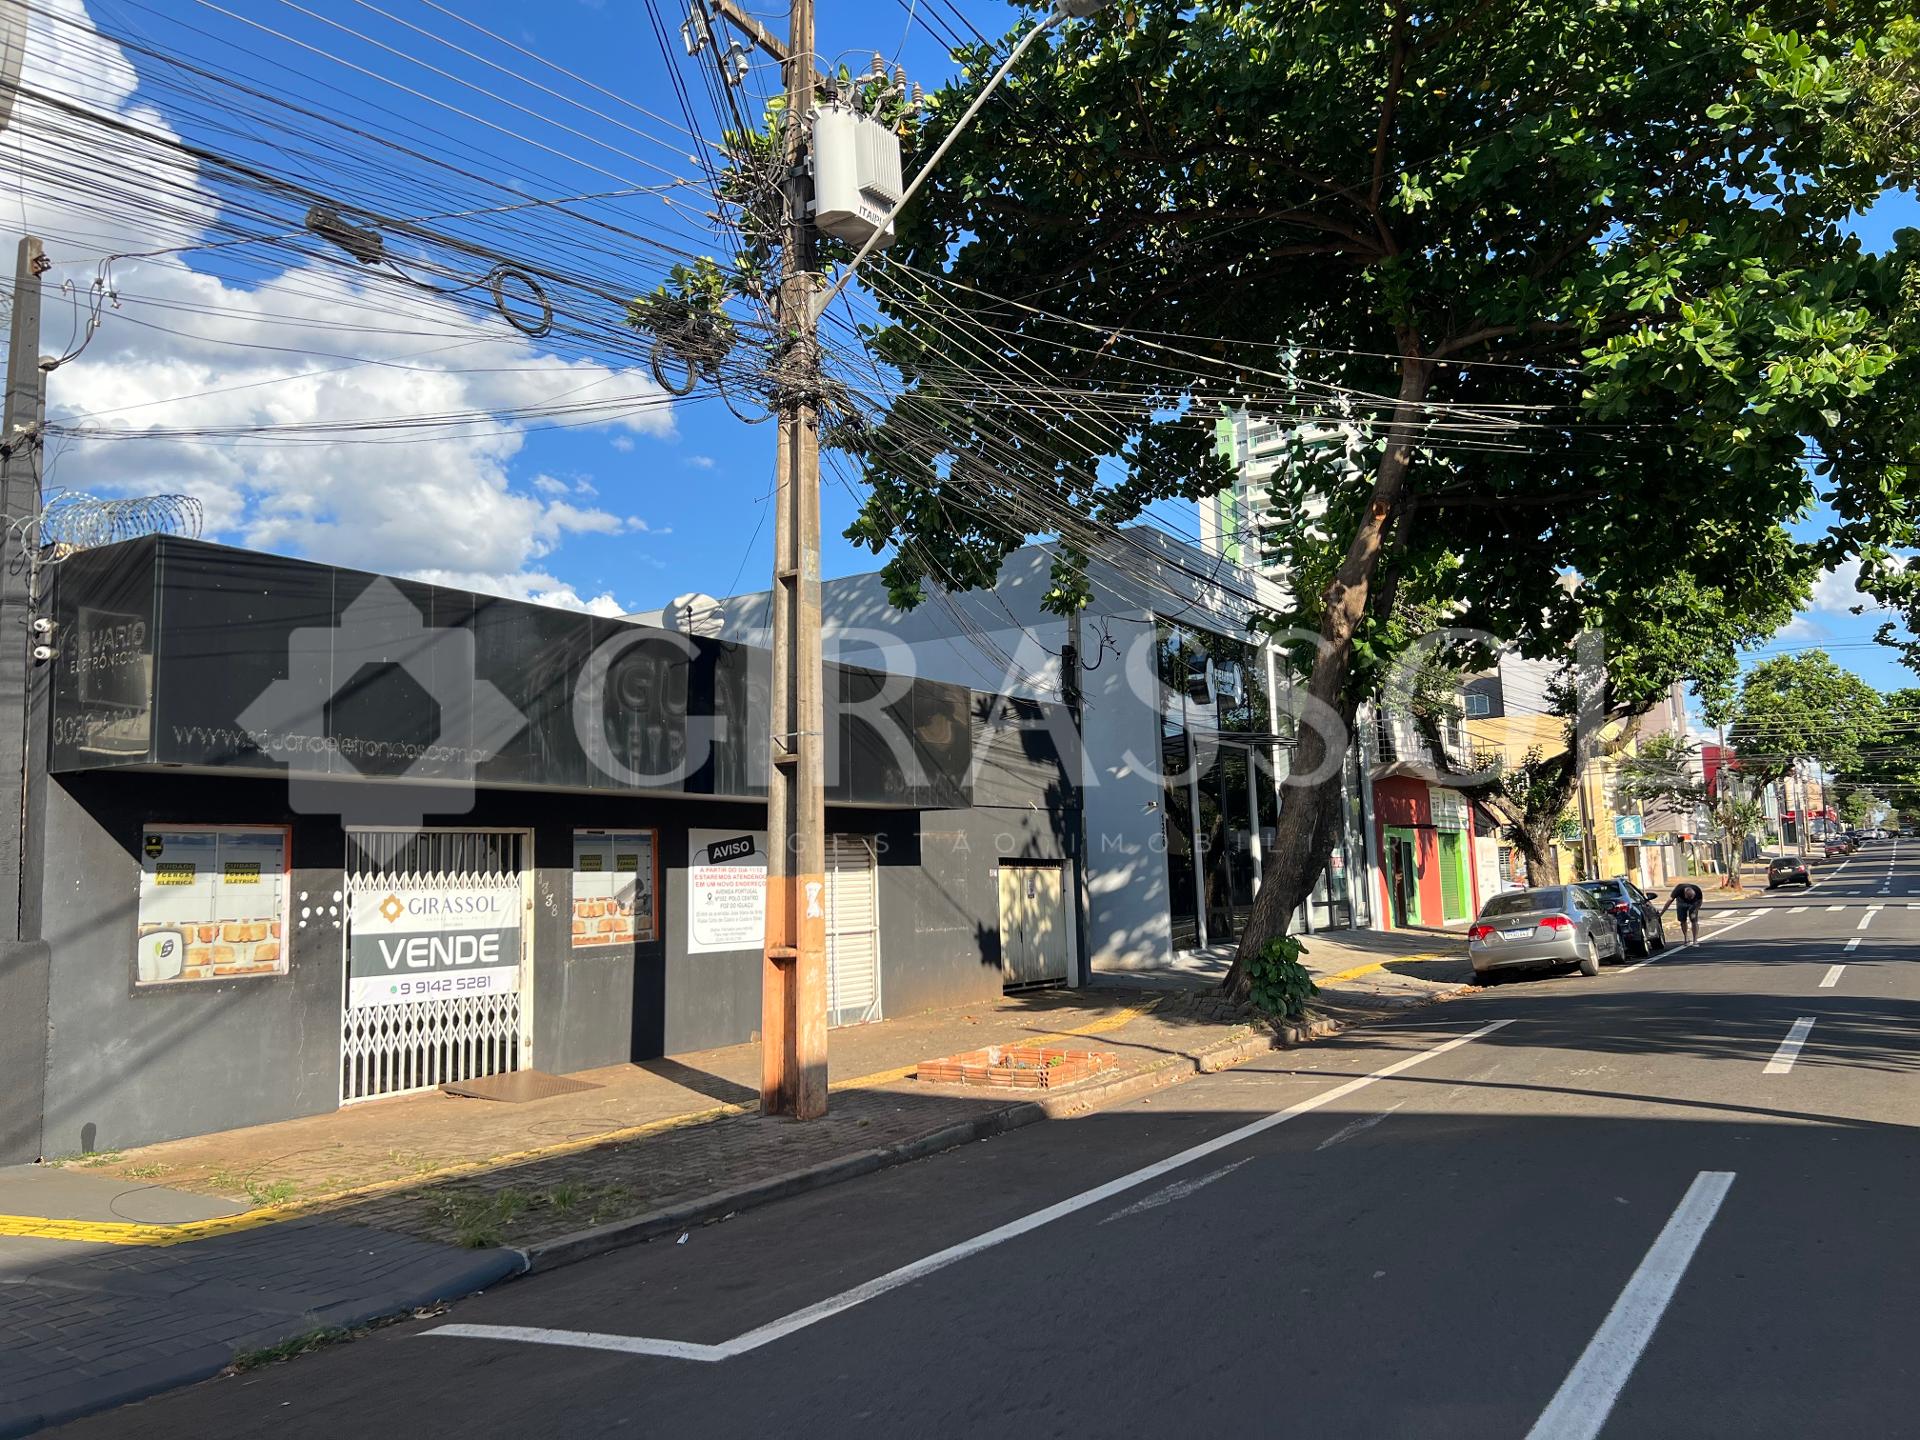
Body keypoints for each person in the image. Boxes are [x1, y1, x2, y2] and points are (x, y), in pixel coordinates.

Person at [1664, 879, 1704, 943]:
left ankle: (1695, 939)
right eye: (1688, 898)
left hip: (1694, 903)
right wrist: (1662, 913)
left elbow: (1700, 901)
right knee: (1683, 920)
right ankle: (1686, 937)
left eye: (1691, 897)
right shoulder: (1678, 889)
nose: (1689, 899)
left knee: (1694, 920)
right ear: (1685, 894)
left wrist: (1696, 909)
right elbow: (1670, 901)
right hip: (1681, 902)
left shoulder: (1697, 890)